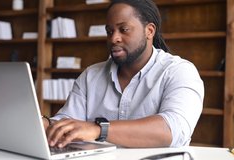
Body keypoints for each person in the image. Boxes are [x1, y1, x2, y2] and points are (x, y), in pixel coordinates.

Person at [43, 0, 204, 148]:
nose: (114, 38)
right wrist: (45, 124)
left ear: (149, 31)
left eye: (123, 29)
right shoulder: (91, 75)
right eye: (109, 31)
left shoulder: (179, 72)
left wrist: (99, 129)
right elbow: (67, 122)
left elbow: (173, 129)